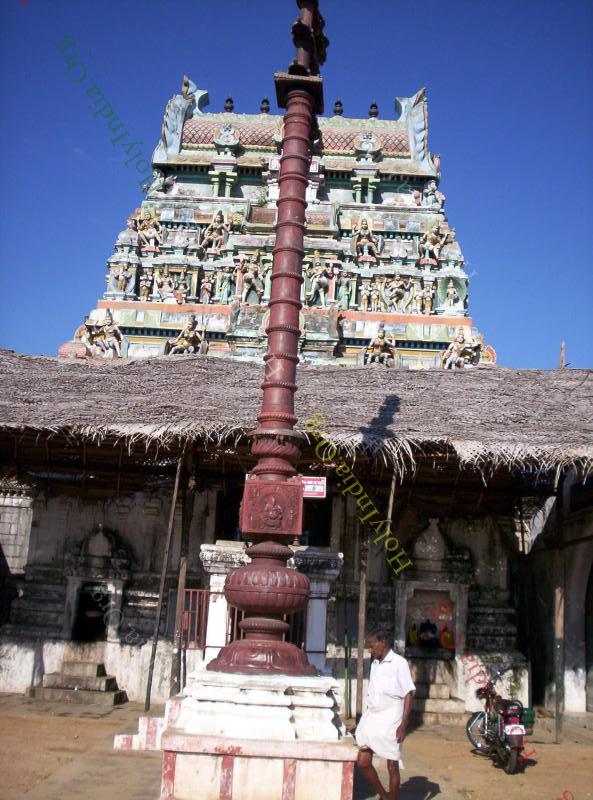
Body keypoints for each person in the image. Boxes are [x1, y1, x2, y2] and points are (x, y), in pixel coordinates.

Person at [352, 630, 415, 800]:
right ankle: (384, 796)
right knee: (363, 761)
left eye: (372, 646)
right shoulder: (374, 664)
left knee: (392, 765)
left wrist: (403, 725)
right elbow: (373, 694)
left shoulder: (399, 663)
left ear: (383, 643)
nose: (370, 650)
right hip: (372, 716)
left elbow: (408, 693)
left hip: (392, 717)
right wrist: (361, 722)